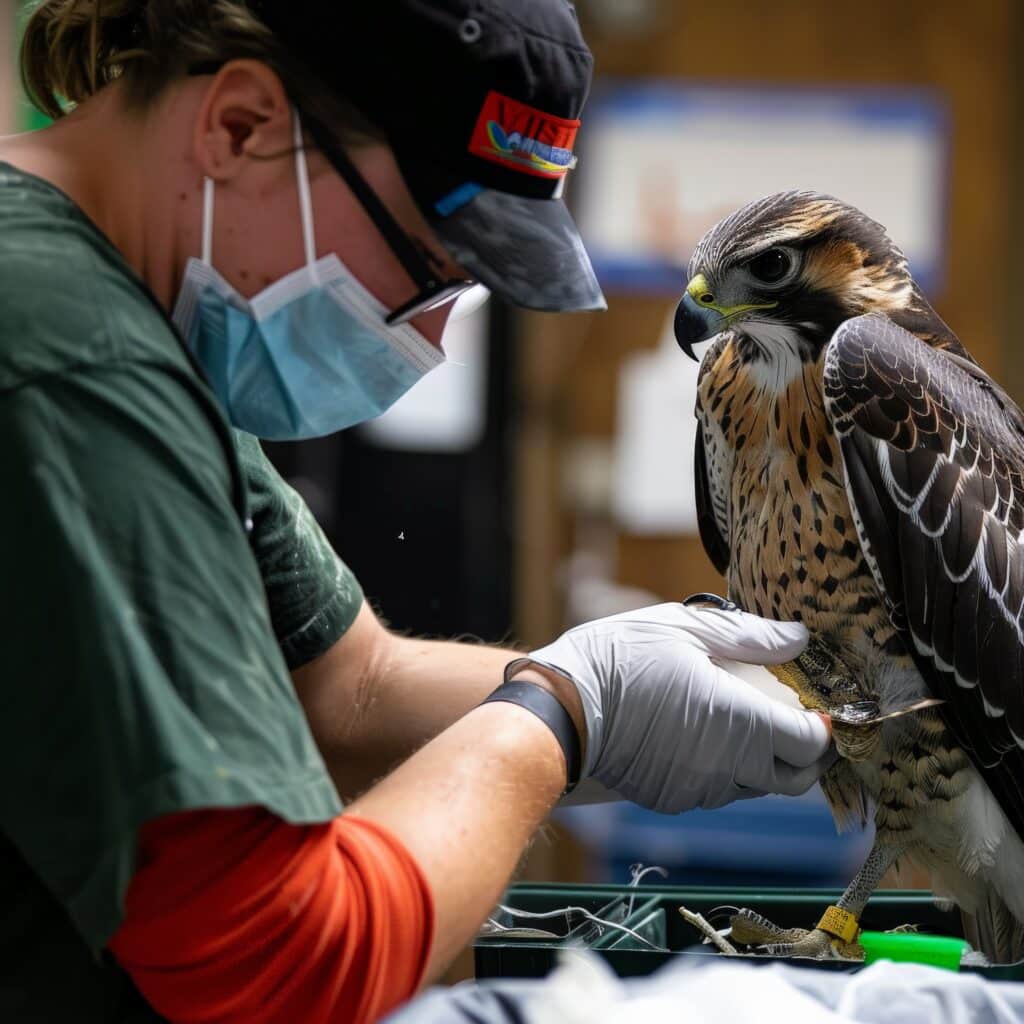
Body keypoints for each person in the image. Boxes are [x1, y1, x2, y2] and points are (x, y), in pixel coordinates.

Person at [0, 1, 834, 1021]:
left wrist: (629, 696)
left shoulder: (130, 324)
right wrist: (561, 717)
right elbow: (278, 958)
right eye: (429, 262)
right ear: (242, 125)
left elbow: (350, 687)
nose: (430, 337)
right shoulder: (64, 359)